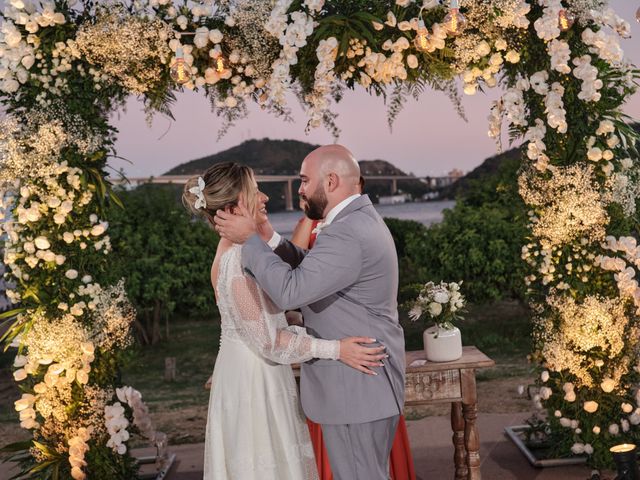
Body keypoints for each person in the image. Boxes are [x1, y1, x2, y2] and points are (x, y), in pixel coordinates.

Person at [182, 162, 386, 480]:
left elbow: (255, 317)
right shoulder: (238, 260)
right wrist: (337, 349)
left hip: (246, 373)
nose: (264, 198)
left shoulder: (230, 251)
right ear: (235, 206)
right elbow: (270, 341)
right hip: (255, 381)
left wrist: (289, 316)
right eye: (255, 192)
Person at [291, 177, 416, 480]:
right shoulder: (353, 223)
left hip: (353, 378)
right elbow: (301, 272)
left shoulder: (349, 230)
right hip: (346, 379)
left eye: (305, 180)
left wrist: (253, 242)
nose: (300, 189)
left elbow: (293, 288)